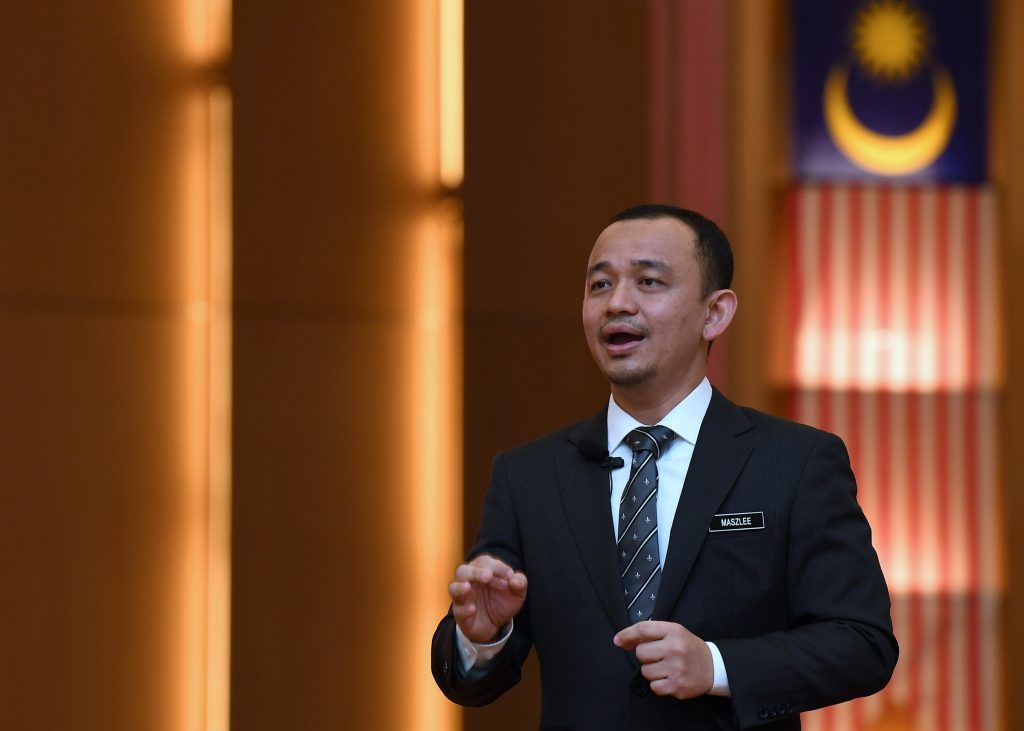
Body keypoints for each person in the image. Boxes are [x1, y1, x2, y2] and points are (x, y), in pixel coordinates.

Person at [431, 204, 898, 729]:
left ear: (714, 313)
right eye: (600, 285)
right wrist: (481, 637)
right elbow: (469, 680)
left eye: (648, 282)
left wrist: (716, 666)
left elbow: (863, 644)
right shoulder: (529, 477)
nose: (617, 303)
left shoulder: (795, 462)